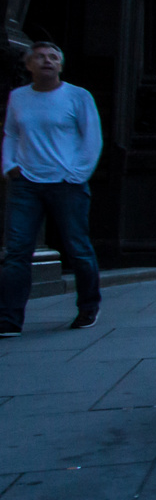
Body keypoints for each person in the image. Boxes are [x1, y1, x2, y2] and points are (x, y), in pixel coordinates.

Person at [0, 42, 103, 334]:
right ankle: (9, 319)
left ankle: (88, 307)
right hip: (26, 184)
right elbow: (10, 133)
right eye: (40, 57)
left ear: (60, 65)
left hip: (66, 184)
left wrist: (77, 173)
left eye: (53, 57)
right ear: (28, 64)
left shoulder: (77, 96)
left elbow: (92, 138)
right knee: (17, 252)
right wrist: (9, 165)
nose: (47, 61)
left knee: (78, 248)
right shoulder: (18, 97)